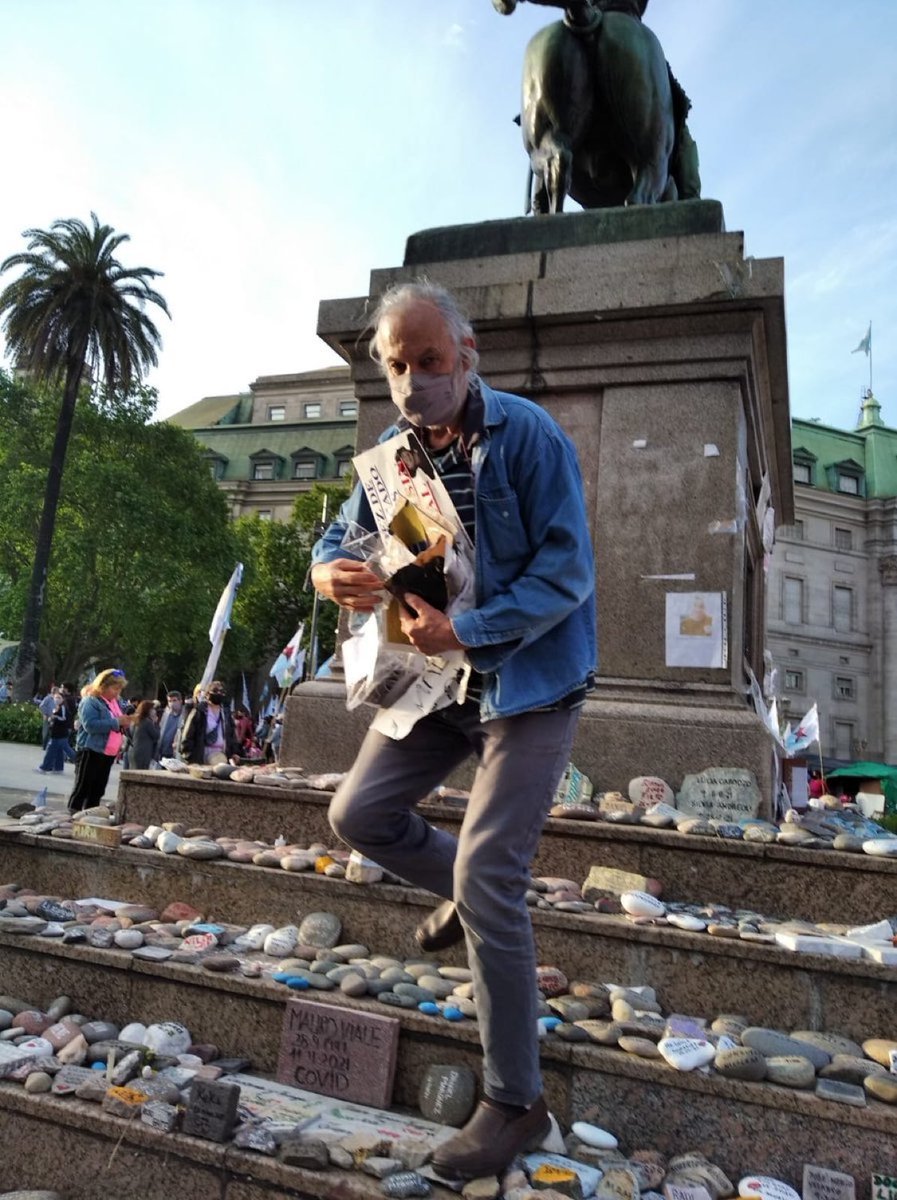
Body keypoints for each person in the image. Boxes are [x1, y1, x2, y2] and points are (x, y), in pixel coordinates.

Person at [311, 281, 596, 1182]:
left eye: (427, 363)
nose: (409, 383)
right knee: (357, 815)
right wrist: (335, 578)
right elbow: (333, 542)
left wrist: (465, 629)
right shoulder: (391, 462)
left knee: (488, 871)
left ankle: (517, 1104)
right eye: (394, 366)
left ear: (467, 356)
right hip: (436, 683)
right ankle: (460, 894)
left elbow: (568, 575)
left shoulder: (529, 437)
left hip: (531, 682)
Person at [68, 669, 135, 812]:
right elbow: (90, 726)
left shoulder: (114, 702)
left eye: (120, 689)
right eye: (115, 688)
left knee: (98, 790)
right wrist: (117, 722)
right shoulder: (90, 702)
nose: (117, 692)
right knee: (83, 788)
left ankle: (91, 815)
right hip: (91, 750)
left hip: (108, 752)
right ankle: (73, 814)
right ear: (102, 686)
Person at [179, 680, 241, 766]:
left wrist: (235, 752)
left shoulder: (226, 713)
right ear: (208, 694)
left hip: (220, 755)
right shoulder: (199, 711)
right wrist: (188, 755)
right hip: (202, 753)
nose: (219, 693)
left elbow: (232, 734)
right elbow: (188, 734)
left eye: (221, 691)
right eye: (215, 691)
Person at [35, 690, 76, 774]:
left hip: (60, 733)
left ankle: (44, 767)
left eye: (59, 697)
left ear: (63, 699)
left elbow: (64, 719)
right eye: (55, 697)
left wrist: (54, 717)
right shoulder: (57, 707)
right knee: (60, 751)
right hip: (58, 733)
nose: (56, 699)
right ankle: (58, 768)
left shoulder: (62, 708)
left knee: (51, 750)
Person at [129, 699, 160, 770]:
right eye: (152, 709)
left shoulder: (135, 720)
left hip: (133, 750)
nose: (154, 711)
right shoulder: (147, 722)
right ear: (148, 710)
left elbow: (130, 734)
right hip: (143, 753)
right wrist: (155, 723)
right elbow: (156, 736)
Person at [157, 690, 185, 759]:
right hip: (162, 752)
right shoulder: (165, 715)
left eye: (174, 700)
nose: (171, 703)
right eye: (169, 701)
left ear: (180, 701)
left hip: (175, 753)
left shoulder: (185, 715)